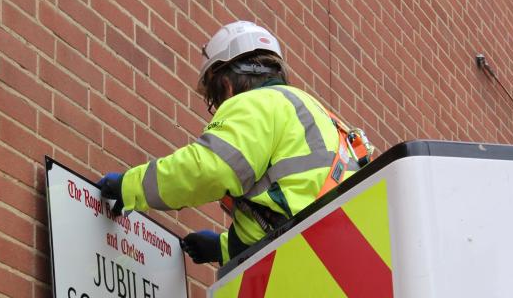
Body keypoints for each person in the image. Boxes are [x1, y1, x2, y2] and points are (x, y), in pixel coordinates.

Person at [99, 20, 363, 265]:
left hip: (308, 258)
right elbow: (292, 204)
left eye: (216, 96)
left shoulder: (256, 104)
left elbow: (208, 169)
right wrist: (224, 248)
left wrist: (130, 186)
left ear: (226, 85)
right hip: (341, 257)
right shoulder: (318, 116)